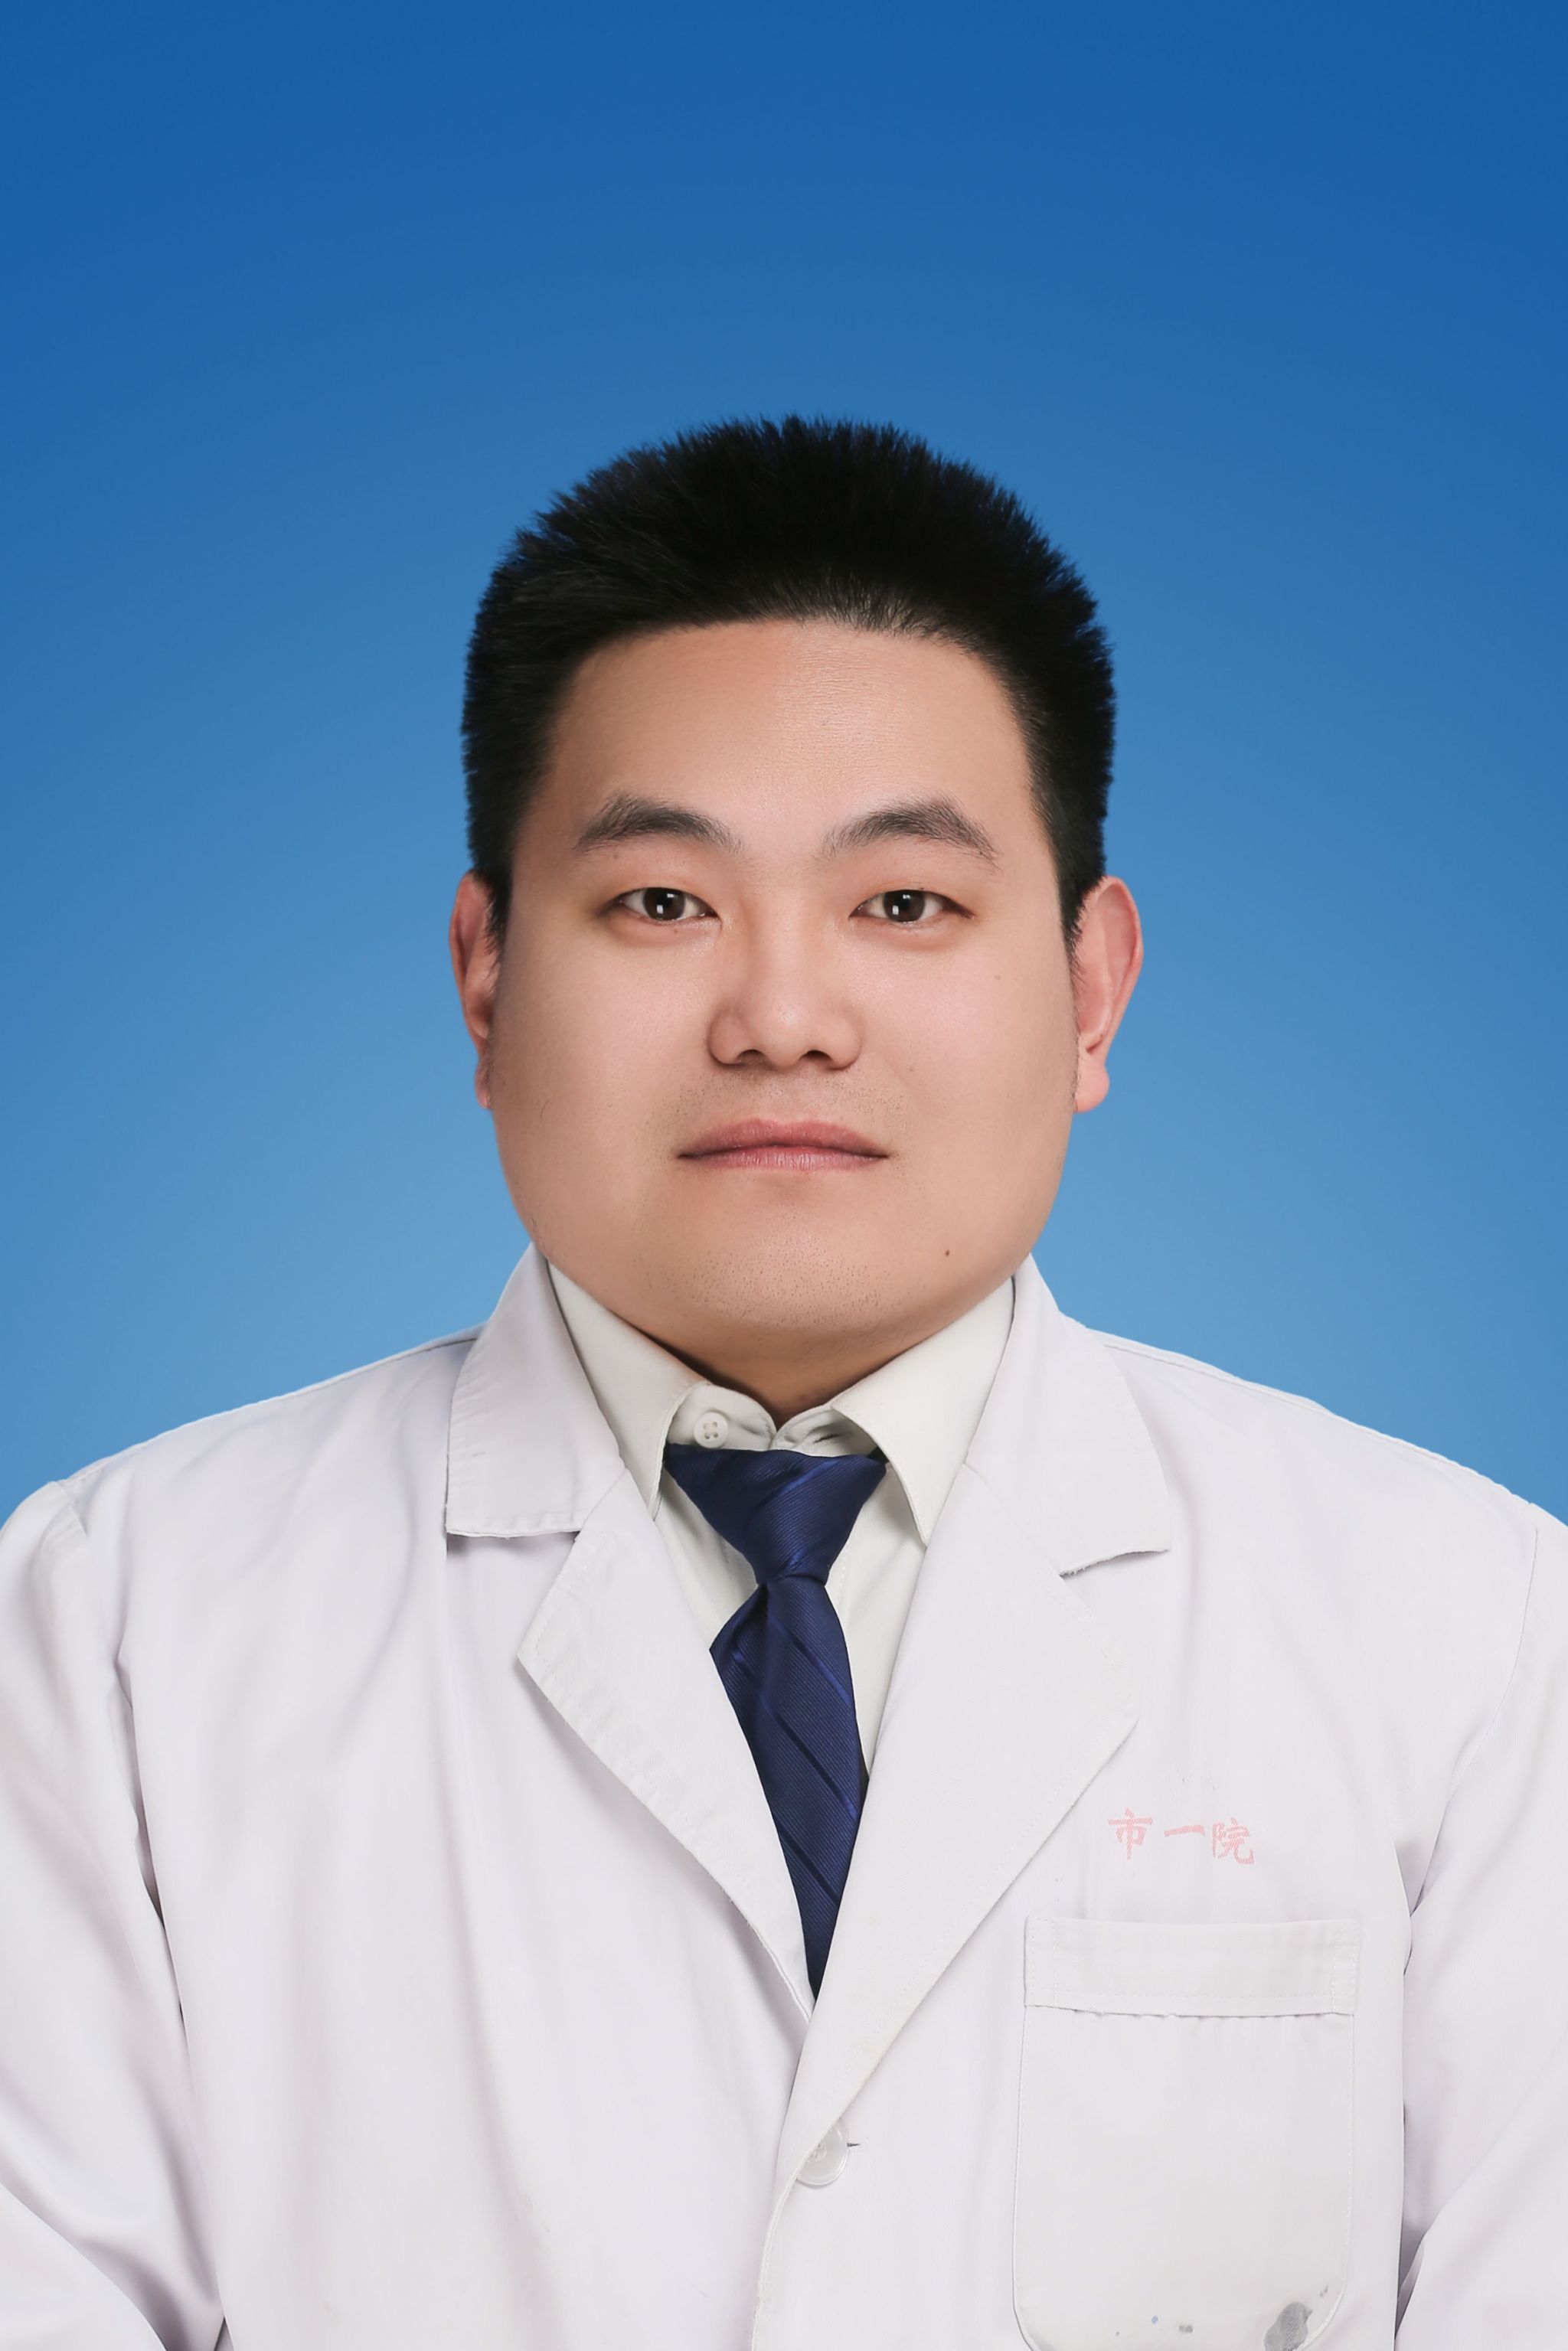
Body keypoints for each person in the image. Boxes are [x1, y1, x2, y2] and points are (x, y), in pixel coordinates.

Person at [1, 417, 1563, 2351]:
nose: (782, 1019)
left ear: (1090, 988)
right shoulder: (116, 1627)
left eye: (902, 904)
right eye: (663, 902)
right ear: (485, 979)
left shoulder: (1464, 1631)